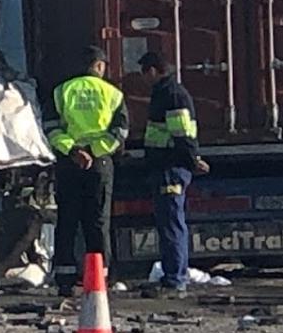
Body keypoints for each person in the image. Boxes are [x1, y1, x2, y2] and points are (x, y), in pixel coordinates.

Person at [43, 46, 129, 297]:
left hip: (70, 163)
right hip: (99, 164)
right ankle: (98, 280)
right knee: (98, 222)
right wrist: (94, 151)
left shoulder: (62, 91)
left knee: (67, 220)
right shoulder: (112, 93)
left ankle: (65, 279)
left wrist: (74, 151)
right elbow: (120, 132)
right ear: (99, 66)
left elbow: (50, 128)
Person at [139, 51, 208, 298]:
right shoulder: (167, 93)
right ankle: (173, 277)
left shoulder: (172, 95)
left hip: (170, 168)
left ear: (154, 71)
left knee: (171, 224)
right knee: (169, 223)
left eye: (145, 73)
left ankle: (175, 280)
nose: (144, 79)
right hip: (166, 166)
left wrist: (192, 160)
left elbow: (182, 134)